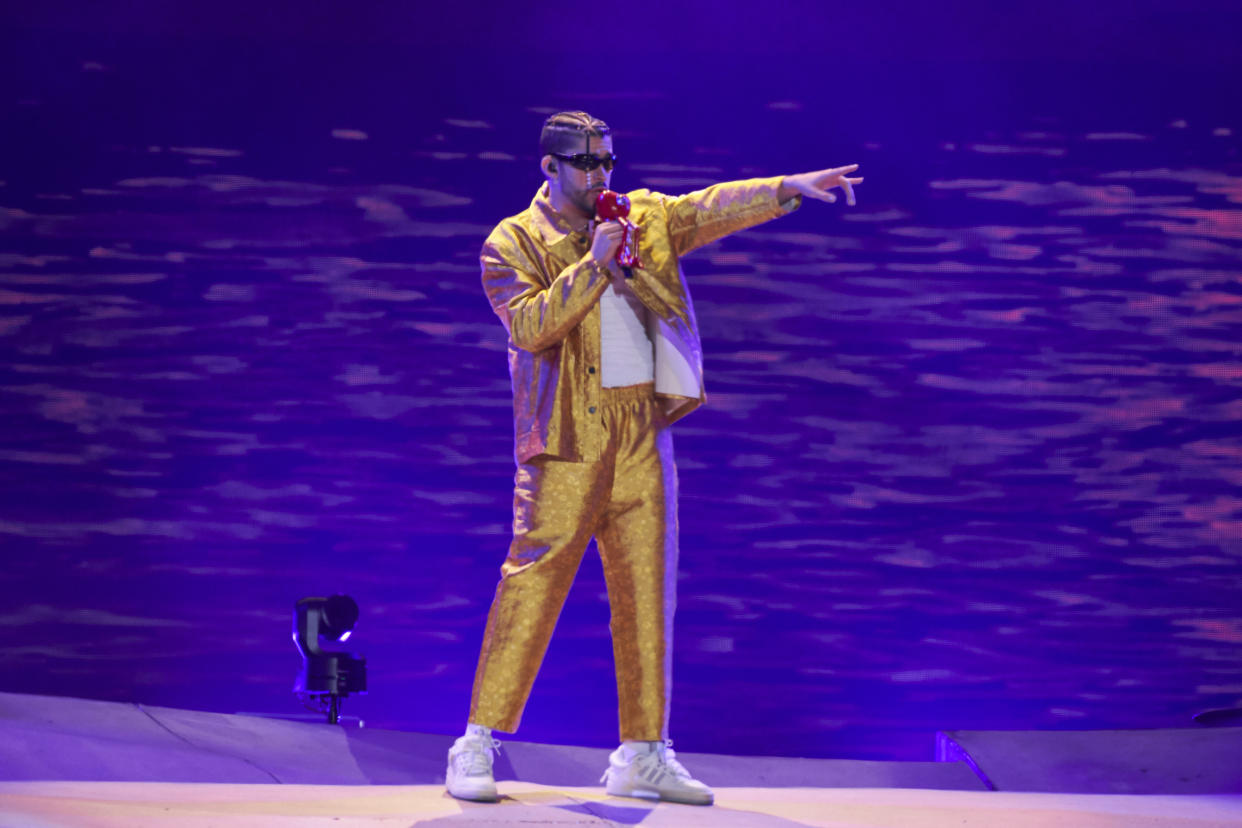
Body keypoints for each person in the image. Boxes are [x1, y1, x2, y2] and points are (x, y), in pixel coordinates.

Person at [446, 110, 862, 805]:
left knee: (647, 591)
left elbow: (706, 208)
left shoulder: (642, 217)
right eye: (586, 164)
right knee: (533, 584)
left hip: (642, 428)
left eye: (607, 161)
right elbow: (531, 325)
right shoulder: (511, 241)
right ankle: (478, 741)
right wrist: (594, 264)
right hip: (568, 440)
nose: (600, 175)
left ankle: (644, 751)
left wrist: (786, 186)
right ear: (549, 168)